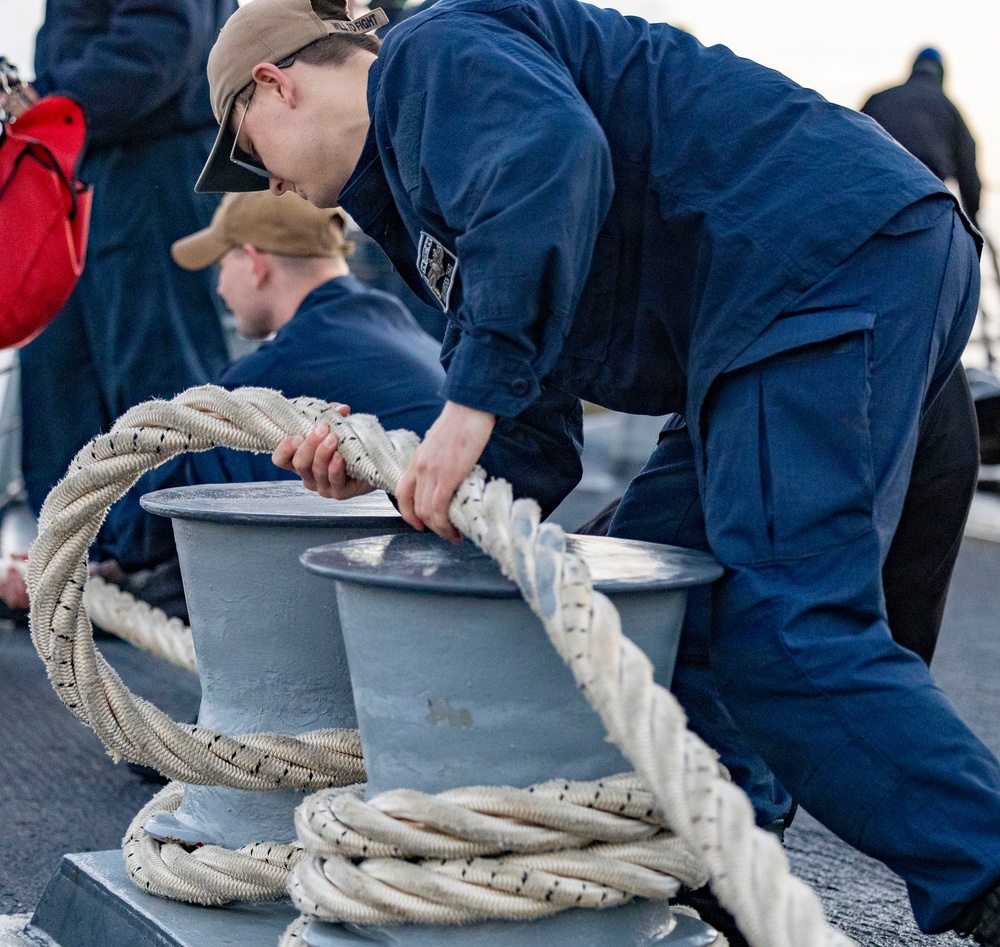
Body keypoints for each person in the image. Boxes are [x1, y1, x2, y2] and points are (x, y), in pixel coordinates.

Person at [197, 0, 1000, 940]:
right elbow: (532, 448)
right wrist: (391, 471)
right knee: (655, 595)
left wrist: (470, 400)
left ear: (274, 84)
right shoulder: (430, 211)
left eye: (252, 155)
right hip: (774, 316)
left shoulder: (428, 56)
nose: (275, 189)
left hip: (815, 270)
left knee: (787, 634)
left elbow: (550, 159)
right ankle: (715, 865)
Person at [0, 191, 445, 617]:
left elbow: (170, 492)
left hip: (426, 570)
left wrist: (65, 561)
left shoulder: (275, 372)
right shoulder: (392, 323)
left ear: (253, 262)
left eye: (221, 263)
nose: (218, 288)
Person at [12, 0, 237, 520]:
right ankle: (84, 545)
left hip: (149, 171)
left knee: (156, 370)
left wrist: (49, 101)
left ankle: (166, 551)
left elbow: (158, 47)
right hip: (95, 161)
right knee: (67, 370)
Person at [862, 47, 982, 226]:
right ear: (941, 74)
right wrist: (973, 218)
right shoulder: (950, 110)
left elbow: (851, 146)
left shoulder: (878, 99)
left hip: (872, 197)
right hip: (924, 203)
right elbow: (968, 175)